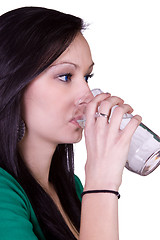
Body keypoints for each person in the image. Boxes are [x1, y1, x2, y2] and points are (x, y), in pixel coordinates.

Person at [0, 6, 142, 240]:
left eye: (87, 77)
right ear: (12, 85)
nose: (88, 95)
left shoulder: (70, 187)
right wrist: (102, 183)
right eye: (65, 76)